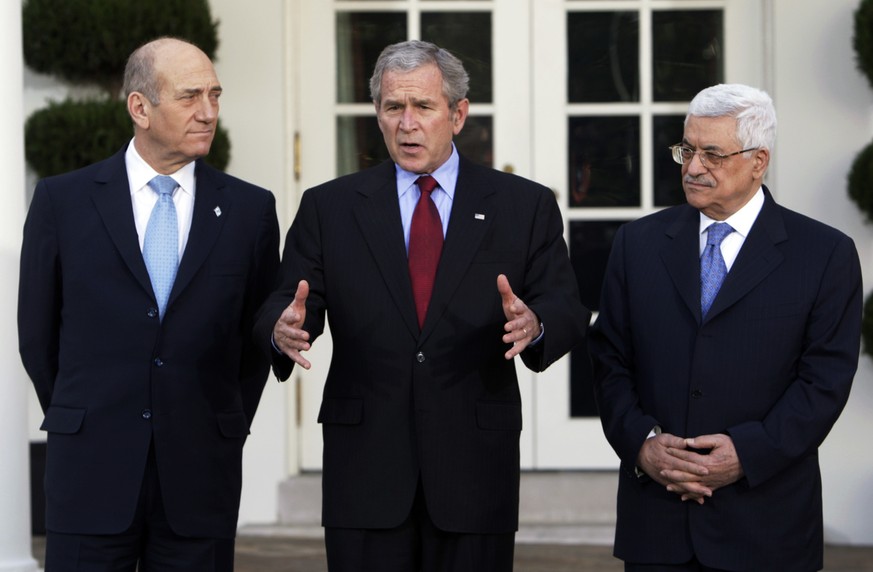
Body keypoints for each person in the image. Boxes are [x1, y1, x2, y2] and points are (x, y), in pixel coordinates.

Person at [255, 39, 589, 571]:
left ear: (457, 114)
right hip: (365, 467)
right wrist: (282, 328)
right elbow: (290, 297)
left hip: (474, 468)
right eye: (393, 108)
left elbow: (566, 306)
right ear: (378, 115)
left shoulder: (524, 206)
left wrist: (537, 322)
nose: (406, 123)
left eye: (423, 107)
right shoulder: (330, 206)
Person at [18, 38, 280, 571]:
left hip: (201, 476)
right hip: (88, 473)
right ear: (140, 107)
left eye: (215, 95)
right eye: (190, 97)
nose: (208, 112)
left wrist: (218, 421)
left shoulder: (250, 210)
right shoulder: (61, 202)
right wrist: (86, 418)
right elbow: (36, 337)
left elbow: (253, 341)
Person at [589, 83, 862, 572]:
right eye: (687, 150)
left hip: (767, 526)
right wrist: (642, 444)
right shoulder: (637, 244)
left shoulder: (824, 254)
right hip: (657, 525)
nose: (693, 168)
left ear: (759, 161)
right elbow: (609, 359)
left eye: (712, 154)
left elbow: (824, 383)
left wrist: (747, 454)